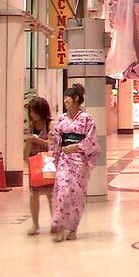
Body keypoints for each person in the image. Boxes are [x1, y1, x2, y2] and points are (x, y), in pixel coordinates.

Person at [51, 83, 100, 242]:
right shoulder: (61, 119)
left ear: (76, 98)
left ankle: (72, 229)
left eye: (68, 97)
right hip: (64, 159)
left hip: (80, 161)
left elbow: (92, 140)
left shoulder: (86, 119)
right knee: (62, 191)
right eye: (65, 97)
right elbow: (56, 139)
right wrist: (55, 146)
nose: (65, 100)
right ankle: (58, 226)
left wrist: (76, 147)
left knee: (76, 195)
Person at [24, 96, 54, 236]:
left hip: (48, 162)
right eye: (31, 111)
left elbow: (52, 145)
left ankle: (55, 222)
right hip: (34, 163)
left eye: (34, 111)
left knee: (51, 194)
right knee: (33, 194)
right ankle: (35, 224)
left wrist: (37, 140)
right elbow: (27, 146)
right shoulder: (31, 126)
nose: (32, 114)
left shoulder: (51, 124)